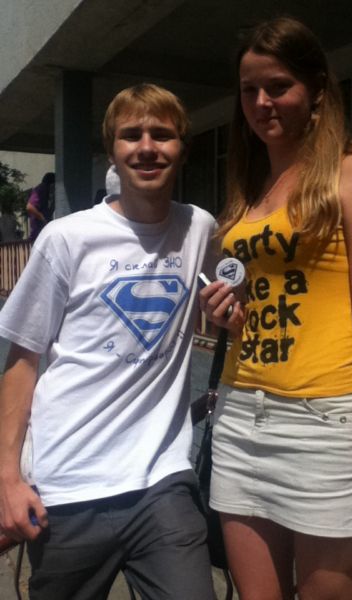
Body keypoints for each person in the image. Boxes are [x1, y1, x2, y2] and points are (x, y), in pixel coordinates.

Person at [199, 17, 352, 600]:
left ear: (317, 89)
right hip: (240, 416)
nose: (261, 102)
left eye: (278, 86)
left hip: (324, 424)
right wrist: (226, 314)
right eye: (249, 90)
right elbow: (262, 296)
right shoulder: (250, 189)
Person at [0, 83, 216, 600]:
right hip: (68, 486)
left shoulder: (199, 227)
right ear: (113, 151)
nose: (147, 147)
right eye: (131, 135)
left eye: (162, 134)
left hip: (162, 481)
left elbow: (227, 292)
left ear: (183, 148)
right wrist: (7, 478)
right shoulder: (66, 238)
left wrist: (230, 309)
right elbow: (23, 360)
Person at [26, 172, 55, 242]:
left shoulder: (47, 192)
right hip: (38, 233)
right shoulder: (41, 189)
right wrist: (42, 217)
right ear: (51, 184)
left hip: (43, 231)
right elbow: (29, 207)